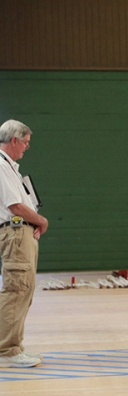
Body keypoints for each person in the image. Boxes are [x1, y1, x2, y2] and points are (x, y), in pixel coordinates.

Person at [0, 119, 49, 368]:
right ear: (14, 140)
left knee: (24, 291)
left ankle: (14, 346)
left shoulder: (10, 167)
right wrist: (41, 220)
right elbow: (15, 206)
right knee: (16, 290)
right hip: (14, 233)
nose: (27, 148)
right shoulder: (0, 165)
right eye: (26, 143)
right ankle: (7, 350)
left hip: (22, 233)